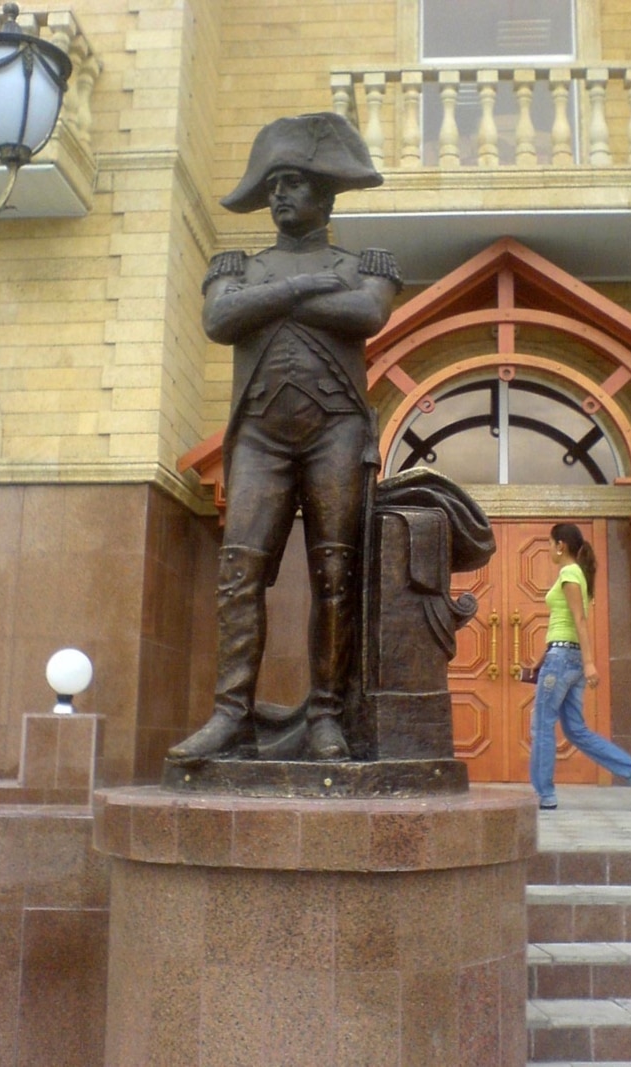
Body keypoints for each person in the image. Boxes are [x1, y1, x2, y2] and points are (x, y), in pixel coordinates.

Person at [167, 113, 402, 764]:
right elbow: (220, 319)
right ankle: (230, 715)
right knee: (239, 571)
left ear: (326, 194)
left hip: (336, 430)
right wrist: (302, 286)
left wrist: (270, 297)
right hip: (260, 436)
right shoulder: (235, 266)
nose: (279, 195)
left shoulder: (365, 266)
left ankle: (326, 715)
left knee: (335, 572)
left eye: (293, 183)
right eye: (272, 185)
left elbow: (366, 313)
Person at [529, 522, 631, 811]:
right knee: (576, 730)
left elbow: (579, 620)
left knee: (542, 724)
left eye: (550, 543)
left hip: (564, 660)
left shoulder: (569, 573)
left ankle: (543, 795)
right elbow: (566, 623)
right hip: (565, 657)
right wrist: (545, 659)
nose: (549, 549)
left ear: (560, 545)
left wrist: (589, 663)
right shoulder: (578, 573)